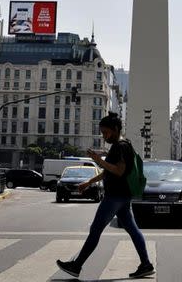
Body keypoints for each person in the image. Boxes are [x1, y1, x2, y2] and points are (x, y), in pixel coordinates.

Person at [56, 112, 154, 279]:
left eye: (106, 132)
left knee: (95, 230)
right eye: (102, 133)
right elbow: (108, 171)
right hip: (123, 197)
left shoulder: (120, 146)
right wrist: (89, 182)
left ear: (115, 129)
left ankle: (76, 265)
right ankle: (146, 264)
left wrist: (97, 159)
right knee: (132, 229)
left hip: (115, 196)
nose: (104, 136)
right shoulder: (124, 145)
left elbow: (119, 170)